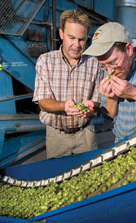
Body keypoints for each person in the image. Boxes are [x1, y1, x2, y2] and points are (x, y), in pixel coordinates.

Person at [33, 9, 104, 158]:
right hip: (56, 136)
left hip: (86, 134)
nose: (76, 45)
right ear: (61, 34)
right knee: (57, 175)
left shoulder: (94, 64)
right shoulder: (45, 61)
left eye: (81, 39)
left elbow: (98, 100)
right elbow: (42, 102)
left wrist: (91, 106)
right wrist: (64, 106)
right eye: (71, 37)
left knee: (90, 174)